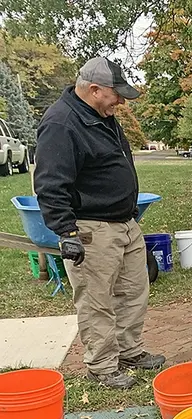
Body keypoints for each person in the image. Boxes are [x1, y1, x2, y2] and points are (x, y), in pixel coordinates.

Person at [34, 57, 165, 389]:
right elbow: (50, 184)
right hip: (92, 228)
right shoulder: (62, 123)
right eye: (115, 94)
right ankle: (102, 365)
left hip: (124, 222)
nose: (120, 101)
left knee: (134, 291)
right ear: (94, 90)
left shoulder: (101, 115)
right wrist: (66, 231)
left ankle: (129, 351)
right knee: (97, 299)